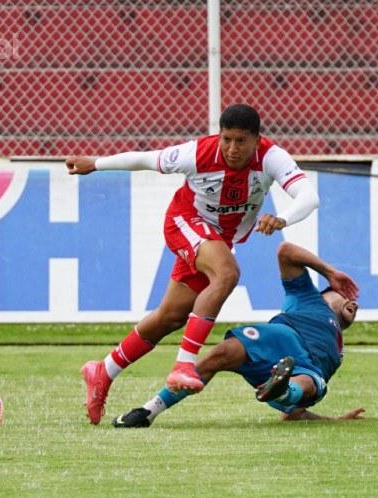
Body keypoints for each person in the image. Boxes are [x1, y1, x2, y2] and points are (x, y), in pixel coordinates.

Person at [66, 104, 320, 424]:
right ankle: (183, 365)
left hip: (217, 239)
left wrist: (283, 218)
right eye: (226, 139)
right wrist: (96, 164)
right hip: (186, 222)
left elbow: (308, 197)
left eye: (241, 141)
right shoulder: (196, 153)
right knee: (227, 273)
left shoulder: (271, 157)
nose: (232, 148)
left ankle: (103, 369)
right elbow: (146, 158)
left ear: (257, 140)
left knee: (170, 317)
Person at [109, 241, 365, 427]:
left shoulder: (338, 351)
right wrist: (329, 272)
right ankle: (147, 412)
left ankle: (282, 389)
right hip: (278, 340)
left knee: (307, 385)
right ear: (327, 292)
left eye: (356, 303)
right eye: (347, 296)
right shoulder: (305, 297)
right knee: (221, 353)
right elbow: (286, 251)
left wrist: (336, 420)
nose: (354, 303)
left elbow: (293, 415)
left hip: (306, 371)